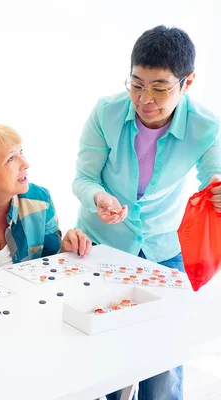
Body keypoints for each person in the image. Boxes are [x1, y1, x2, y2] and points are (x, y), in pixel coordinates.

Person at [73, 26, 221, 400]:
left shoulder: (205, 126)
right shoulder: (106, 112)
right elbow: (84, 177)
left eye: (159, 88)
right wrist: (99, 198)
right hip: (101, 243)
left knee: (165, 357)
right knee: (102, 351)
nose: (144, 99)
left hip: (163, 247)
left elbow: (213, 180)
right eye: (136, 84)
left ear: (187, 82)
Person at [0, 123, 92, 267]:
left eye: (21, 152)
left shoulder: (40, 200)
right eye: (11, 158)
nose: (25, 164)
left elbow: (50, 263)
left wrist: (66, 249)